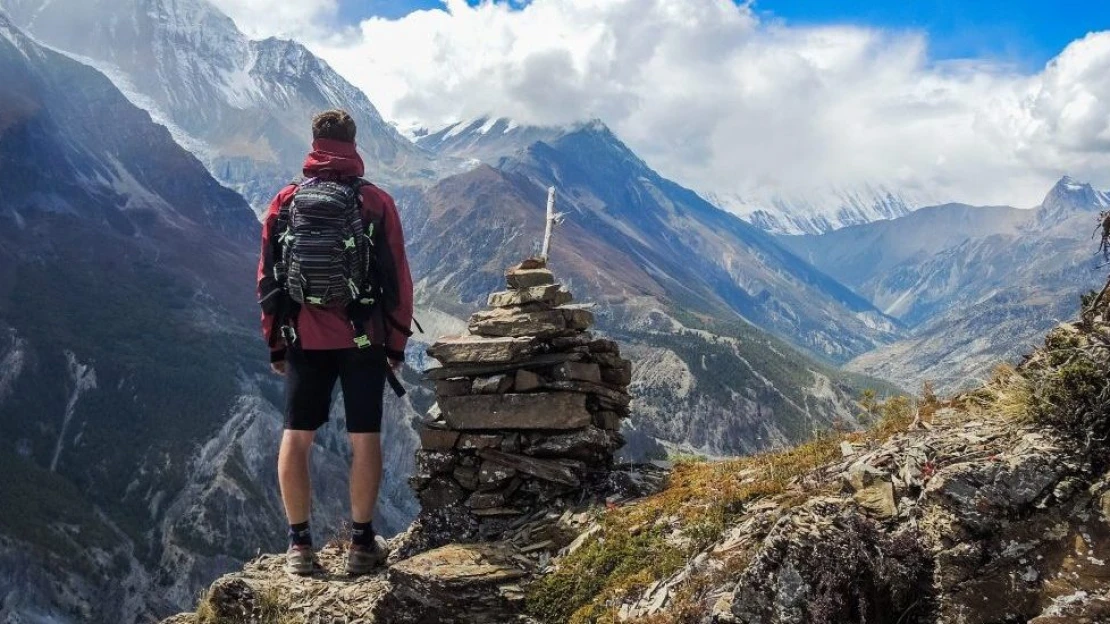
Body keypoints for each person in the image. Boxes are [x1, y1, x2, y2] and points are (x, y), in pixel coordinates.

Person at [257, 109, 414, 576]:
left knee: (297, 437)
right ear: (354, 142)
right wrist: (396, 343)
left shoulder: (285, 201)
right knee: (365, 438)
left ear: (314, 143)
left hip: (303, 336)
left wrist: (276, 342)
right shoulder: (376, 202)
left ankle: (299, 547)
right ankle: (362, 544)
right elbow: (399, 279)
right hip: (364, 337)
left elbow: (267, 278)